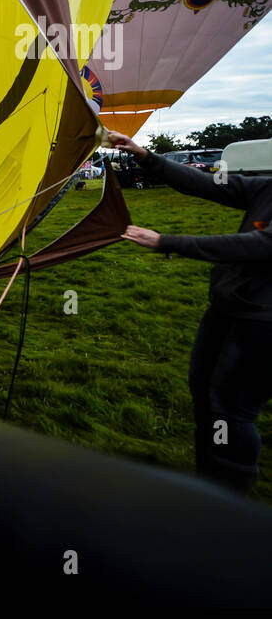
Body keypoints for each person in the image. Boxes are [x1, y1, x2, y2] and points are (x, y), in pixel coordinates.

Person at [108, 131, 272, 494]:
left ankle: (229, 497)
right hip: (229, 307)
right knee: (203, 393)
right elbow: (206, 183)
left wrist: (166, 242)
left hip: (263, 323)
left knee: (233, 407)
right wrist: (145, 156)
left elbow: (260, 245)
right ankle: (207, 481)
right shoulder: (267, 189)